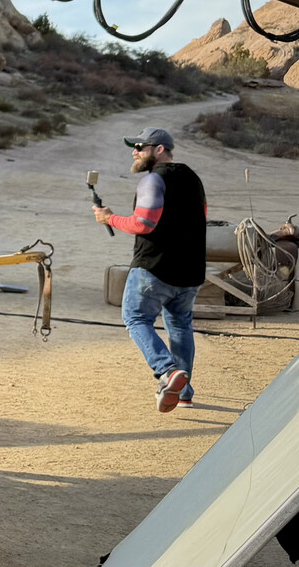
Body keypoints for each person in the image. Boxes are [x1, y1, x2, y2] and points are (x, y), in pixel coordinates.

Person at [95, 127, 207, 412]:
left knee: (135, 318)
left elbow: (143, 224)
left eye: (140, 146)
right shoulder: (193, 178)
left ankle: (167, 372)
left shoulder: (153, 179)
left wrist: (109, 219)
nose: (134, 151)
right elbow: (203, 217)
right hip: (191, 271)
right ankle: (184, 393)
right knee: (181, 326)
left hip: (154, 268)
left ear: (159, 150)